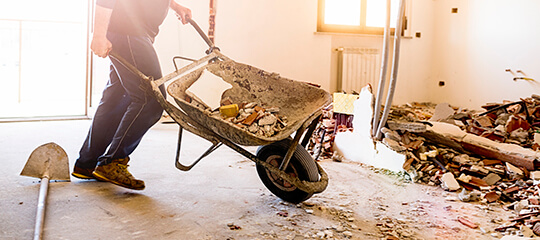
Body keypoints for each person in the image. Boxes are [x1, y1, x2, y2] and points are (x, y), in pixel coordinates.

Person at [71, 0, 192, 190]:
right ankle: (113, 161)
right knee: (151, 100)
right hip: (128, 31)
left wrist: (175, 6)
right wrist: (99, 34)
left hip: (132, 32)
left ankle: (87, 163)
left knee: (117, 100)